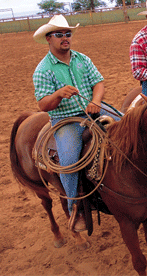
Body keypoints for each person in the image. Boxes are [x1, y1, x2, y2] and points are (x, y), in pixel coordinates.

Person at [32, 15, 120, 232]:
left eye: (67, 34)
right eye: (59, 34)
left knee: (129, 125)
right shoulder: (43, 70)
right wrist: (59, 94)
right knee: (69, 160)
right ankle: (76, 208)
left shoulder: (82, 59)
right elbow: (43, 105)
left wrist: (96, 102)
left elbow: (98, 82)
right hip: (66, 119)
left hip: (93, 109)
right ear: (48, 39)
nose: (65, 38)